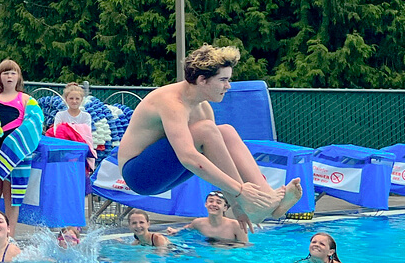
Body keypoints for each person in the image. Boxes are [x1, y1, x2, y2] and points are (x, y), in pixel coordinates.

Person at [116, 44, 300, 228]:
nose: (228, 86)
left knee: (225, 131)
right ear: (203, 80)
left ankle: (266, 199)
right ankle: (254, 204)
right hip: (138, 174)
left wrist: (236, 206)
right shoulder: (172, 103)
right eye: (223, 80)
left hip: (164, 171)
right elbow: (188, 157)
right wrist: (240, 191)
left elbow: (216, 159)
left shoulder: (203, 108)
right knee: (207, 130)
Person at [0, 60, 44, 233]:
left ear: (19, 77)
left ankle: (10, 235)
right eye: (5, 73)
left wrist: (14, 142)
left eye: (13, 73)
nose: (9, 76)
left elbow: (35, 124)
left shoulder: (26, 100)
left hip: (16, 153)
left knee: (12, 197)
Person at [165, 191, 247, 245]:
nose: (214, 204)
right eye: (211, 201)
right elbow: (186, 229)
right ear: (206, 204)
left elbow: (245, 246)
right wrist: (175, 231)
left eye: (218, 202)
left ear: (225, 208)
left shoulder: (236, 225)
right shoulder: (198, 223)